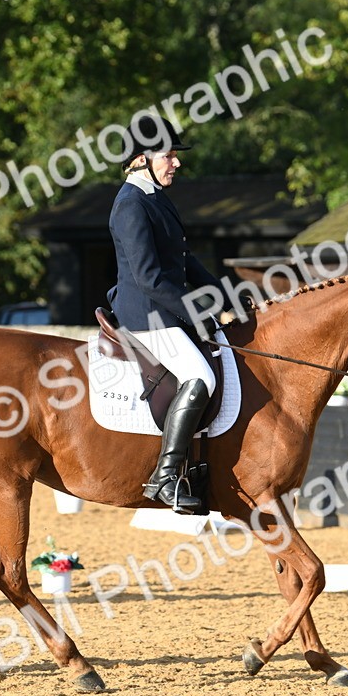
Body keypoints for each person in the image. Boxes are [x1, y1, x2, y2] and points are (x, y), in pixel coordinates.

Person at [107, 115, 236, 513]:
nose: (176, 163)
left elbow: (184, 260)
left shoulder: (155, 198)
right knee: (200, 375)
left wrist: (224, 296)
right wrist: (200, 312)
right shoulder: (131, 205)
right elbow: (149, 278)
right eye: (168, 155)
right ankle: (165, 477)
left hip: (164, 310)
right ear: (142, 159)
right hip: (146, 316)